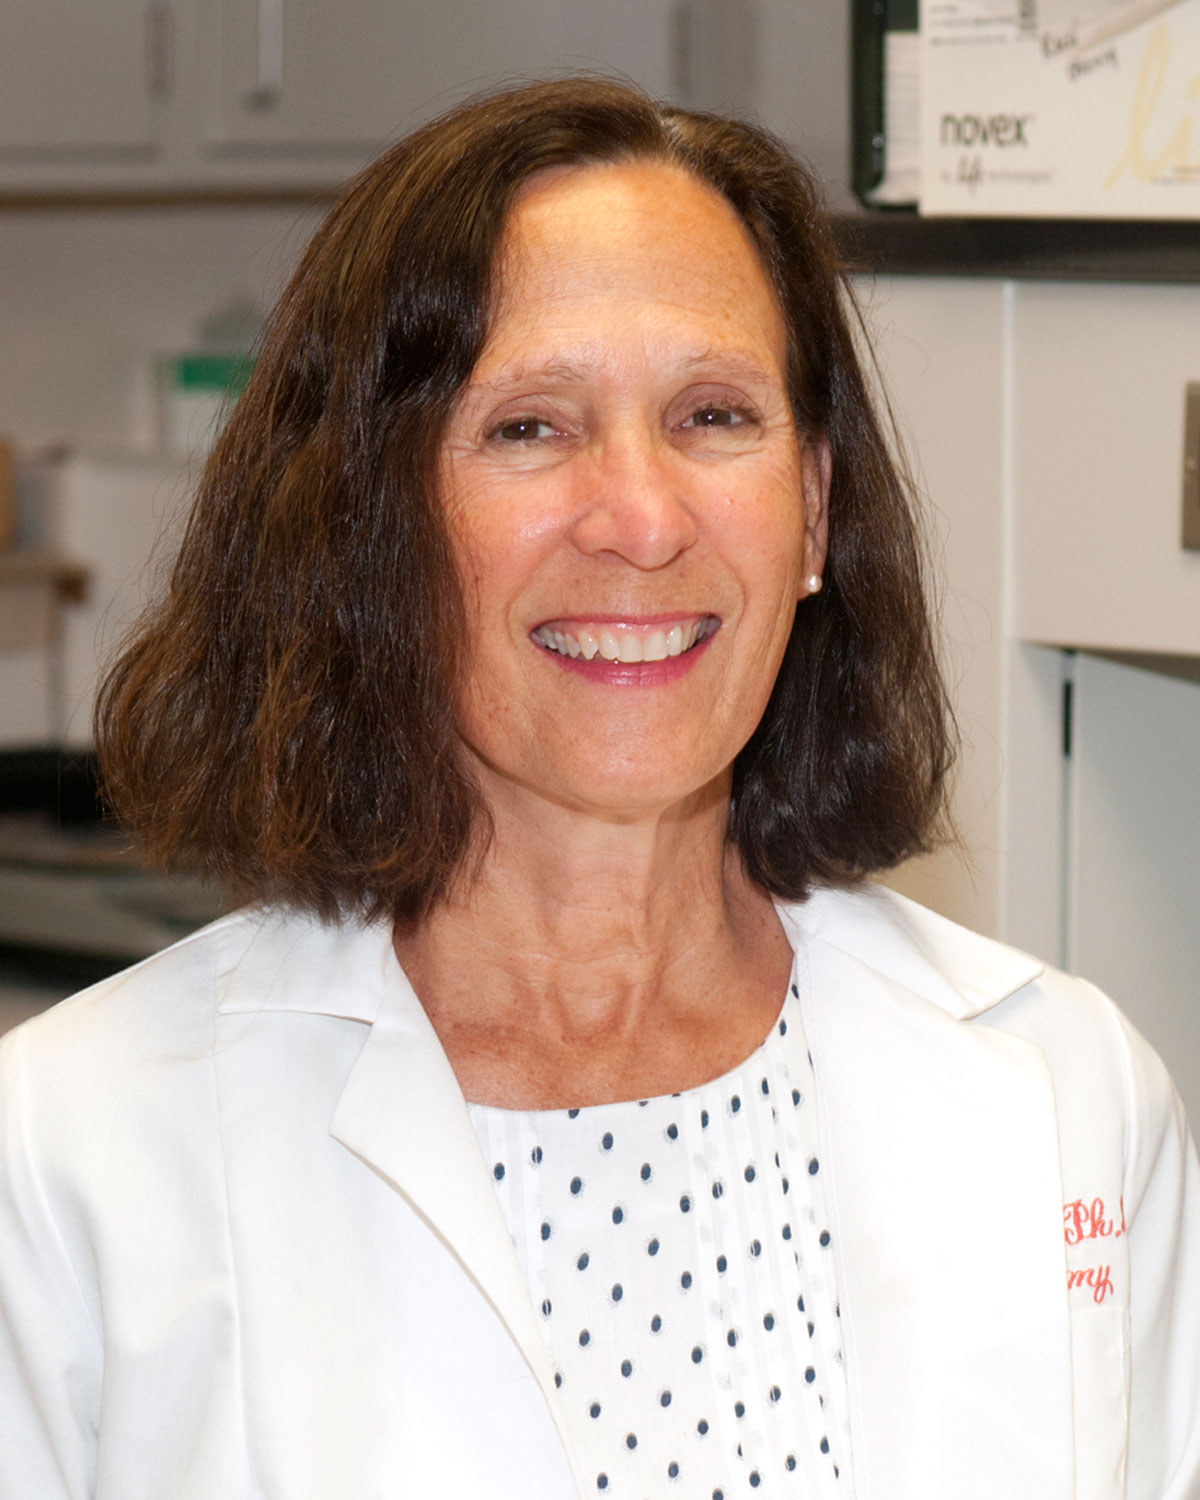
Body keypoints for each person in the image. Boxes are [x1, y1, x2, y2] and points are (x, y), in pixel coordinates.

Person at [1, 76, 1197, 1500]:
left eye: (712, 415)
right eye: (531, 427)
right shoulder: (70, 1154)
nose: (640, 518)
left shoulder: (1066, 1095)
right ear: (370, 521)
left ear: (812, 507)